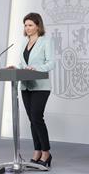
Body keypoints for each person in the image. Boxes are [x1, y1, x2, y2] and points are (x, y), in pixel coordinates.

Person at [16, 12, 55, 167]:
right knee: (32, 120)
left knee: (37, 118)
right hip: (26, 85)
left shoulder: (46, 41)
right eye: (25, 25)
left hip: (40, 86)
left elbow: (51, 63)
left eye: (30, 25)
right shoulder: (23, 42)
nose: (27, 28)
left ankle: (46, 153)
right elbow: (23, 64)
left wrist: (36, 68)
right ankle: (37, 151)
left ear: (38, 25)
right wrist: (15, 67)